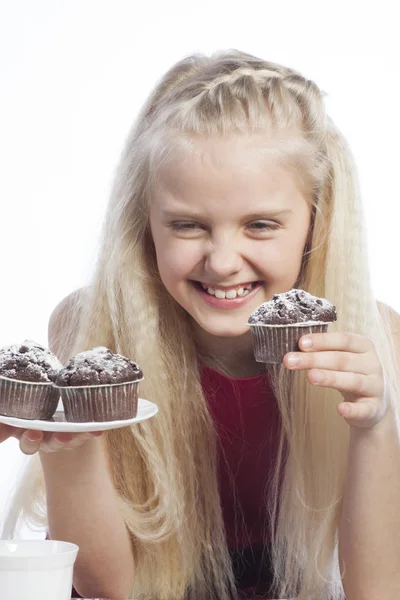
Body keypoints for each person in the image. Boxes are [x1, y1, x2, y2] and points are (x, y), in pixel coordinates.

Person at [1, 49, 400, 600]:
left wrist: (375, 426)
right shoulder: (92, 325)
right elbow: (103, 587)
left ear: (316, 220)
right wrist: (65, 440)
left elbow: (376, 590)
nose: (222, 261)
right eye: (188, 225)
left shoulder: (373, 339)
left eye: (260, 225)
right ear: (145, 223)